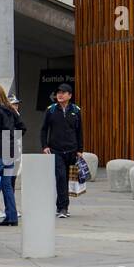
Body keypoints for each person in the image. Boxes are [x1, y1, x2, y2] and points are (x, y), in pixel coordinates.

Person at [40, 83, 83, 219]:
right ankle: (63, 208)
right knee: (60, 177)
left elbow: (79, 131)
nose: (60, 95)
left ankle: (62, 206)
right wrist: (45, 146)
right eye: (58, 92)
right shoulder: (51, 110)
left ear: (69, 95)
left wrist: (80, 149)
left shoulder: (76, 110)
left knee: (67, 179)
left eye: (63, 92)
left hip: (72, 150)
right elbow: (44, 129)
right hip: (56, 150)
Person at [0, 83, 25, 227]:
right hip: (10, 152)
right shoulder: (11, 110)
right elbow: (22, 127)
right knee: (7, 185)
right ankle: (12, 216)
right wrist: (11, 138)